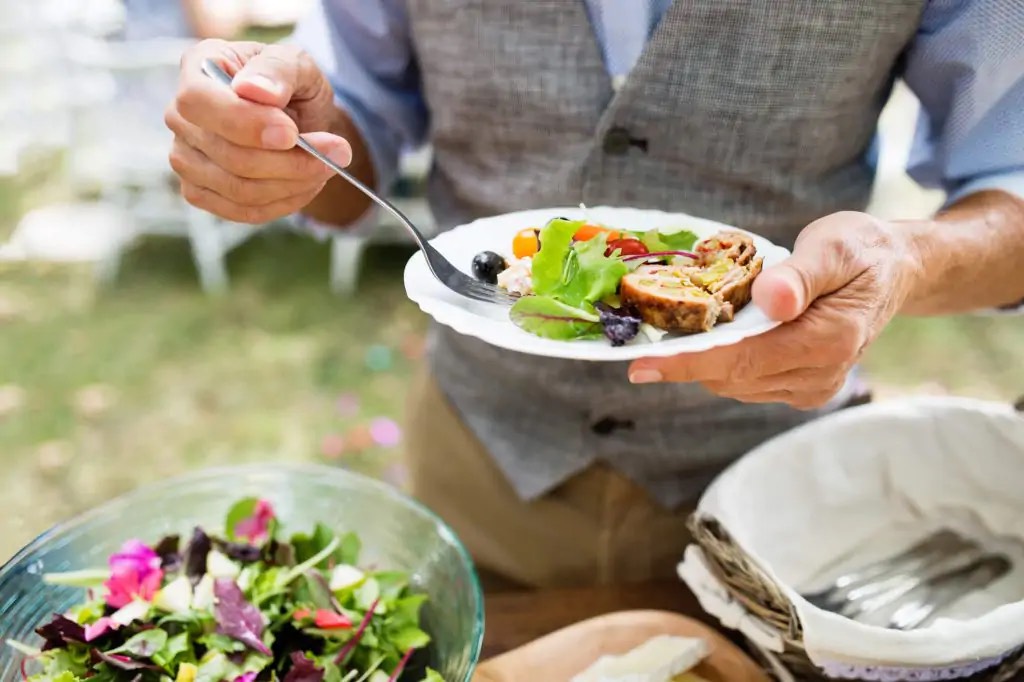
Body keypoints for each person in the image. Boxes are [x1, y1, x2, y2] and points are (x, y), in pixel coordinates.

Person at [165, 1, 1024, 590]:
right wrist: (279, 139)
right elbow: (352, 128)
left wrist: (904, 262)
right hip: (484, 467)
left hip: (784, 500)